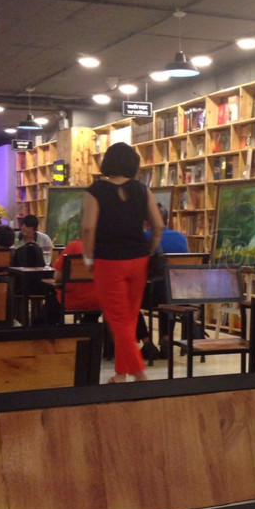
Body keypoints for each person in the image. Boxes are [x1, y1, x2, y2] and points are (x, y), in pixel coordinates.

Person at [82, 142, 164, 382]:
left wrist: (88, 257)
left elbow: (88, 228)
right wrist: (149, 250)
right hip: (138, 260)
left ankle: (139, 373)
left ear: (108, 162)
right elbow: (158, 226)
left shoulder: (95, 191)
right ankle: (120, 373)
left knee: (117, 319)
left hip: (109, 261)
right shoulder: (142, 190)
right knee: (129, 318)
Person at [137, 203, 189, 359]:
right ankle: (166, 339)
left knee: (127, 302)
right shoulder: (180, 237)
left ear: (146, 222)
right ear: (167, 221)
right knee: (168, 296)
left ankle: (147, 343)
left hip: (150, 295)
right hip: (178, 294)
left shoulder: (143, 238)